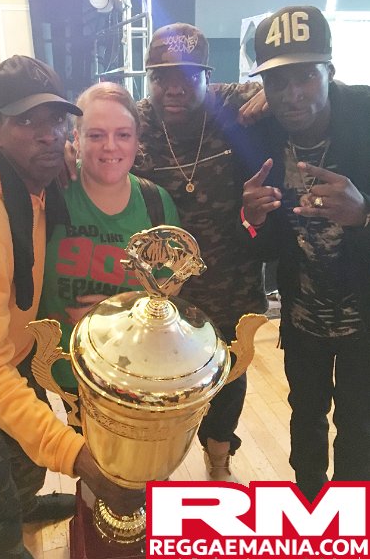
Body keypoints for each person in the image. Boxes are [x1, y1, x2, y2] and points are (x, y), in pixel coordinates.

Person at [0, 55, 144, 559]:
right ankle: (6, 539)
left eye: (56, 119)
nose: (48, 135)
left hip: (12, 354)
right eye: (26, 121)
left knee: (26, 463)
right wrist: (80, 458)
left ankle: (24, 505)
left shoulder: (24, 177)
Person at [65, 24, 268, 480]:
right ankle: (150, 465)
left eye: (187, 76)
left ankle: (219, 458)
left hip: (229, 279)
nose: (174, 88)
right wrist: (67, 150)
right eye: (161, 77)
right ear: (148, 80)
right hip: (156, 287)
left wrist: (269, 94)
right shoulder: (136, 122)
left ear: (208, 77)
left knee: (228, 377)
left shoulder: (231, 105)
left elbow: (291, 85)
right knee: (155, 385)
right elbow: (96, 141)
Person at [240, 5, 370, 502]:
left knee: (360, 426)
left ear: (330, 72)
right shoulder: (262, 135)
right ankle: (310, 506)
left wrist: (363, 215)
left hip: (365, 319)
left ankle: (350, 516)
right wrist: (251, 219)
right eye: (277, 82)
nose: (292, 94)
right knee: (306, 417)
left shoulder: (365, 118)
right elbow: (262, 241)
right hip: (302, 315)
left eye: (306, 77)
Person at [39, 81, 180, 392]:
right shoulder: (50, 192)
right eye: (96, 135)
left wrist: (122, 312)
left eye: (123, 135)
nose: (110, 146)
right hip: (61, 371)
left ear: (137, 140)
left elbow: (168, 293)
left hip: (134, 371)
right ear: (76, 138)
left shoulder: (156, 203)